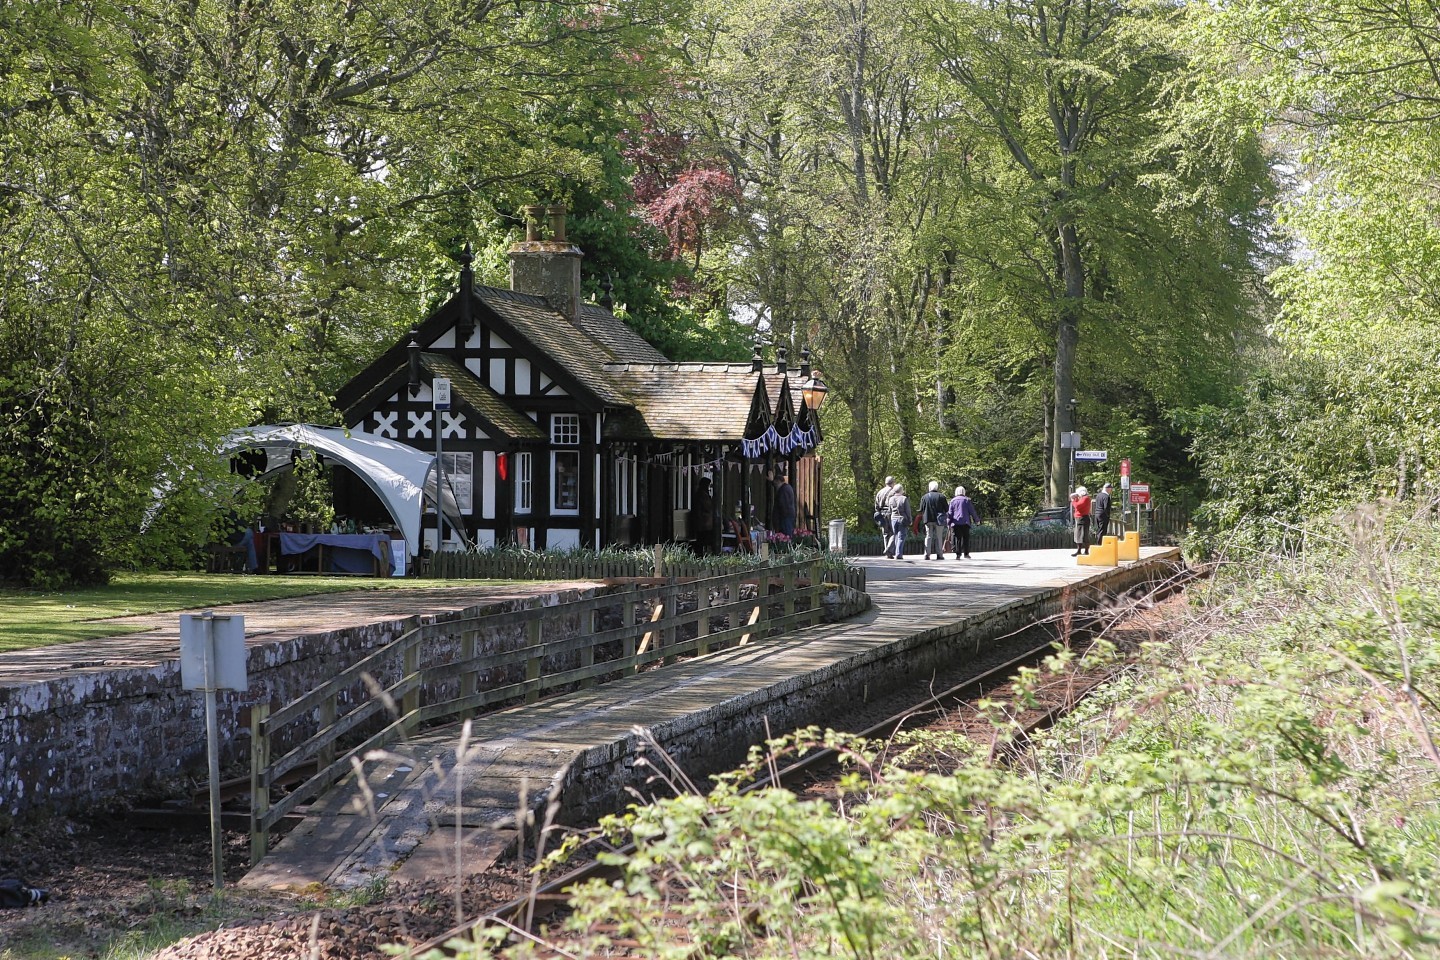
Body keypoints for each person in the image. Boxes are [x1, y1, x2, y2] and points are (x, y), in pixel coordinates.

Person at [947, 485, 981, 559]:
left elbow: (950, 512)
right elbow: (972, 511)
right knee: (966, 538)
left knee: (958, 538)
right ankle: (966, 554)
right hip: (965, 522)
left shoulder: (953, 501)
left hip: (956, 522)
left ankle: (958, 554)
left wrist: (948, 522)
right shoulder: (967, 500)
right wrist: (977, 520)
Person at [918, 481, 949, 560]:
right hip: (939, 520)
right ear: (937, 487)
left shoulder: (924, 497)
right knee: (939, 537)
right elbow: (946, 509)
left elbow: (921, 509)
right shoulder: (941, 496)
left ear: (929, 487)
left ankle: (927, 554)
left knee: (928, 536)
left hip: (928, 519)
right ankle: (939, 554)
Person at [884, 482, 912, 559]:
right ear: (901, 490)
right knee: (901, 537)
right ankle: (898, 554)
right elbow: (908, 511)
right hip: (902, 519)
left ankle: (895, 551)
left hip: (893, 519)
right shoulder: (904, 498)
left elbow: (889, 510)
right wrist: (910, 519)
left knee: (896, 535)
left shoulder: (891, 499)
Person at [773, 469, 797, 538]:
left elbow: (783, 504)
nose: (775, 485)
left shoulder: (783, 490)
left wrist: (778, 517)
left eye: (775, 483)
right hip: (787, 516)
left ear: (778, 481)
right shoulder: (787, 487)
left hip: (785, 517)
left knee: (786, 536)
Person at [1069, 485, 1093, 556]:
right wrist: (1076, 499)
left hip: (1082, 518)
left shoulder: (1085, 498)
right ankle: (1079, 550)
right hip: (1080, 518)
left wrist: (1073, 501)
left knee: (1083, 535)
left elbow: (1078, 506)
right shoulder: (1083, 498)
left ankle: (1086, 551)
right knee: (1078, 535)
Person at [873, 475, 895, 546]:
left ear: (885, 483)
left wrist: (878, 512)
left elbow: (876, 505)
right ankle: (890, 550)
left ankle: (886, 549)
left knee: (885, 533)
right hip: (891, 513)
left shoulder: (880, 492)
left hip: (882, 513)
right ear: (893, 482)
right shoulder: (893, 491)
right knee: (893, 532)